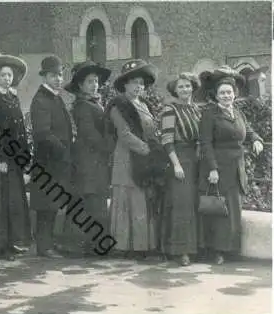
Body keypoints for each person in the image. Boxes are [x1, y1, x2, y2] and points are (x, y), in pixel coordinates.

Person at [199, 66, 264, 265]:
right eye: (222, 93)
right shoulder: (210, 114)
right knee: (221, 210)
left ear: (234, 94)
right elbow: (205, 143)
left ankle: (231, 249)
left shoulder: (238, 113)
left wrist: (256, 139)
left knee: (234, 209)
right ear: (216, 96)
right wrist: (212, 168)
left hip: (237, 168)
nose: (226, 96)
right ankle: (217, 251)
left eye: (229, 92)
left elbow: (249, 130)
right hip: (219, 168)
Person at [106, 59, 166, 259]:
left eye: (141, 83)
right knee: (127, 200)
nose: (138, 87)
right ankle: (125, 246)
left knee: (141, 201)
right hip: (127, 158)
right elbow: (124, 134)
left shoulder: (144, 105)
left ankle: (142, 245)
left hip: (144, 158)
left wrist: (155, 149)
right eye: (134, 83)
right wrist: (147, 150)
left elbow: (151, 130)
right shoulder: (119, 105)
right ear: (125, 84)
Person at [0, 49, 32, 261]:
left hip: (15, 159)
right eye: (3, 75)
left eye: (10, 75)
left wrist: (25, 156)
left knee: (14, 202)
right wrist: (0, 158)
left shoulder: (13, 98)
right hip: (1, 160)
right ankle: (3, 246)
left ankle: (14, 241)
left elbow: (19, 129)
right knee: (2, 203)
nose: (7, 78)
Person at [62, 60, 111, 257]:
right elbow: (89, 134)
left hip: (94, 159)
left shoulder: (94, 103)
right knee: (88, 199)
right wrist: (109, 148)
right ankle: (79, 244)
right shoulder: (82, 106)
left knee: (93, 199)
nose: (94, 85)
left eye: (96, 81)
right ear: (80, 85)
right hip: (88, 159)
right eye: (90, 81)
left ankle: (93, 243)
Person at [29, 55, 73, 259]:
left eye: (60, 75)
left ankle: (48, 243)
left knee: (52, 203)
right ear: (44, 76)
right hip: (48, 161)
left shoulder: (55, 97)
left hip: (56, 161)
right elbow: (43, 133)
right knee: (46, 206)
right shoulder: (41, 100)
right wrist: (64, 151)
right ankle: (44, 246)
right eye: (53, 75)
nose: (58, 79)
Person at [159, 72, 202, 266]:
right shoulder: (170, 109)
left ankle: (195, 248)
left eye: (188, 86)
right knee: (181, 206)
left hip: (196, 160)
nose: (185, 89)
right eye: (181, 87)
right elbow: (167, 140)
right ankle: (180, 251)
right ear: (175, 90)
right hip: (179, 159)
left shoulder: (196, 110)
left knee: (193, 204)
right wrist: (176, 164)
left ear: (193, 87)